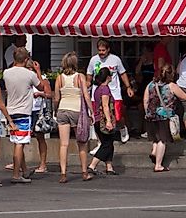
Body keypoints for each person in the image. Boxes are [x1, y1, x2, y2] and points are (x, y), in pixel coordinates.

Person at [144, 64, 186, 172]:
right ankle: (158, 165)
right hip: (164, 115)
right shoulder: (171, 86)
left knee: (155, 137)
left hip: (150, 114)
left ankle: (154, 152)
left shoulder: (151, 84)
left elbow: (146, 99)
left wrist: (147, 112)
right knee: (162, 139)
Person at [4, 47, 43, 183]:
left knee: (17, 141)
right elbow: (41, 87)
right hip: (23, 111)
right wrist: (37, 71)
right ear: (26, 60)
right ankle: (16, 174)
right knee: (20, 144)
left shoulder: (6, 73)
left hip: (10, 111)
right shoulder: (29, 74)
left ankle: (24, 170)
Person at [54, 52, 94, 183]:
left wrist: (55, 110)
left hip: (63, 109)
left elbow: (56, 98)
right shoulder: (80, 77)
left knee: (63, 144)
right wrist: (91, 111)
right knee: (81, 142)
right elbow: (86, 96)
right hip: (76, 110)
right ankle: (84, 171)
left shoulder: (59, 78)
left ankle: (63, 173)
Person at [87, 39, 135, 144]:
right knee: (98, 117)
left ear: (108, 49)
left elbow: (122, 73)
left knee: (117, 115)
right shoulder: (93, 60)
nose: (101, 53)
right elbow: (89, 75)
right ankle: (101, 142)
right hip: (98, 92)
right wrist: (87, 86)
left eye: (103, 50)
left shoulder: (115, 59)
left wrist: (128, 87)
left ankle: (122, 128)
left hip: (114, 92)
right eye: (99, 50)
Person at [88, 68, 119, 175]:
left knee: (109, 143)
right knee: (106, 144)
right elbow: (105, 106)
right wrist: (109, 121)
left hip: (97, 119)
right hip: (103, 120)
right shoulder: (105, 89)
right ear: (108, 77)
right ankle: (92, 165)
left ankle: (109, 167)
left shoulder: (97, 89)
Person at [27, 58, 51, 174]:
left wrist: (40, 93)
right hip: (26, 109)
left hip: (38, 110)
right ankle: (18, 162)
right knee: (21, 137)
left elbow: (49, 93)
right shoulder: (25, 79)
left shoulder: (43, 79)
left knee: (40, 137)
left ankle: (43, 164)